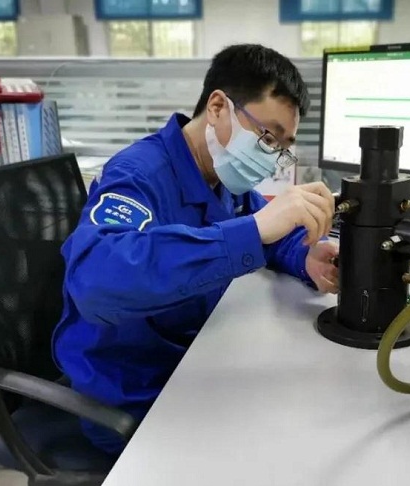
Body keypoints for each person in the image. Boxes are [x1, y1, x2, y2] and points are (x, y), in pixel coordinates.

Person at [52, 44, 340, 456]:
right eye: (267, 136)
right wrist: (254, 230)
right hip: (133, 390)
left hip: (190, 361)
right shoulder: (137, 174)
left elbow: (268, 233)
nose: (271, 157)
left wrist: (306, 255)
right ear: (218, 107)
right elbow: (95, 282)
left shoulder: (221, 178)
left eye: (282, 146)